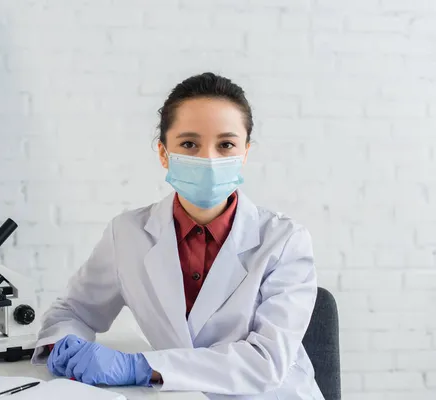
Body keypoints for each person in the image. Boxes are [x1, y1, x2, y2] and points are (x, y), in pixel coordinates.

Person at [31, 72, 324, 399]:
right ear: (163, 153)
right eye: (189, 144)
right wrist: (63, 343)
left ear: (245, 153)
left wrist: (138, 366)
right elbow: (74, 310)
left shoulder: (284, 241)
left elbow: (266, 363)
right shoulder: (127, 234)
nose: (209, 160)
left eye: (226, 144)